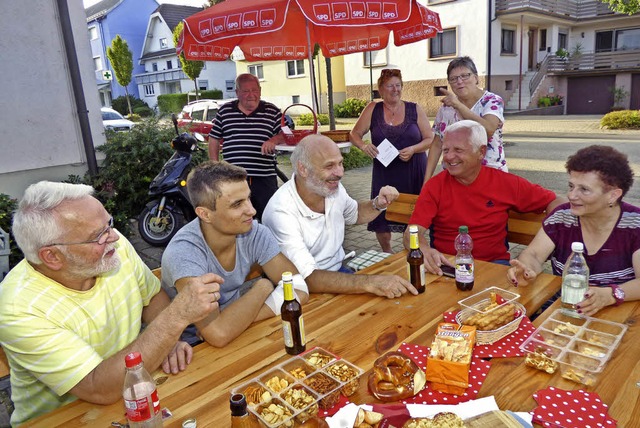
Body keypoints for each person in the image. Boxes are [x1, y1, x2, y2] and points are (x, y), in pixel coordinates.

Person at [0, 181, 220, 425]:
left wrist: (168, 343)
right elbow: (99, 388)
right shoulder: (17, 309)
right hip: (63, 419)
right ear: (52, 256)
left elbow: (151, 296)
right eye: (98, 235)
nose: (113, 236)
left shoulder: (111, 248)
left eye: (108, 224)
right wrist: (175, 319)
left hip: (135, 395)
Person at [161, 161, 309, 347]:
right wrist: (263, 287)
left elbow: (299, 288)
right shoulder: (185, 253)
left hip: (240, 329)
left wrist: (243, 318)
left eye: (248, 198)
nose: (252, 211)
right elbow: (218, 335)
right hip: (188, 349)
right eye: (237, 204)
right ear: (205, 214)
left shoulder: (254, 232)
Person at [262, 134, 419, 299]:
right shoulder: (281, 212)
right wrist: (369, 282)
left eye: (340, 163)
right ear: (303, 169)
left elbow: (354, 214)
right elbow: (307, 279)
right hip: (302, 290)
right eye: (329, 166)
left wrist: (378, 203)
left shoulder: (330, 187)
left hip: (338, 273)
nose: (339, 173)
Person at [406, 120, 562, 275]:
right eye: (446, 150)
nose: (449, 157)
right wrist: (423, 249)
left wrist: (551, 237)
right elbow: (411, 233)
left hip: (494, 266)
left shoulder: (504, 182)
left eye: (458, 150)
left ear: (481, 152)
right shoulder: (435, 186)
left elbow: (558, 201)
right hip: (448, 266)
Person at [508, 145, 640, 316]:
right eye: (571, 186)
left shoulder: (635, 224)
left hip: (619, 314)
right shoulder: (562, 217)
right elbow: (533, 254)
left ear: (613, 195)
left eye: (584, 189)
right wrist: (526, 270)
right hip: (565, 310)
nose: (571, 195)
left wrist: (611, 295)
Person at [350, 68, 434, 253]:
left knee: (413, 215)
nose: (395, 89)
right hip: (384, 172)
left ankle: (414, 250)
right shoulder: (373, 109)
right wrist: (363, 146)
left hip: (413, 170)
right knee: (382, 216)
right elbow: (354, 134)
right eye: (390, 86)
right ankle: (387, 253)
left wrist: (413, 149)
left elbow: (430, 139)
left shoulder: (414, 109)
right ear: (380, 89)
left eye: (398, 85)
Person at [208, 73, 285, 221]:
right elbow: (214, 138)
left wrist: (274, 139)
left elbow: (286, 134)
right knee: (236, 218)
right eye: (245, 91)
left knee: (268, 217)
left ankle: (266, 243)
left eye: (254, 90)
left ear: (260, 90)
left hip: (264, 177)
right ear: (237, 92)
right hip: (233, 178)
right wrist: (215, 166)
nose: (251, 95)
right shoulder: (225, 111)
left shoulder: (272, 111)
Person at [425, 56, 507, 181]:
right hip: (455, 177)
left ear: (476, 78)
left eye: (465, 76)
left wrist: (458, 105)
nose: (459, 81)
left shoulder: (491, 101)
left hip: (489, 175)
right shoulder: (446, 108)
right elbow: (436, 144)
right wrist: (426, 181)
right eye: (453, 78)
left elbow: (488, 130)